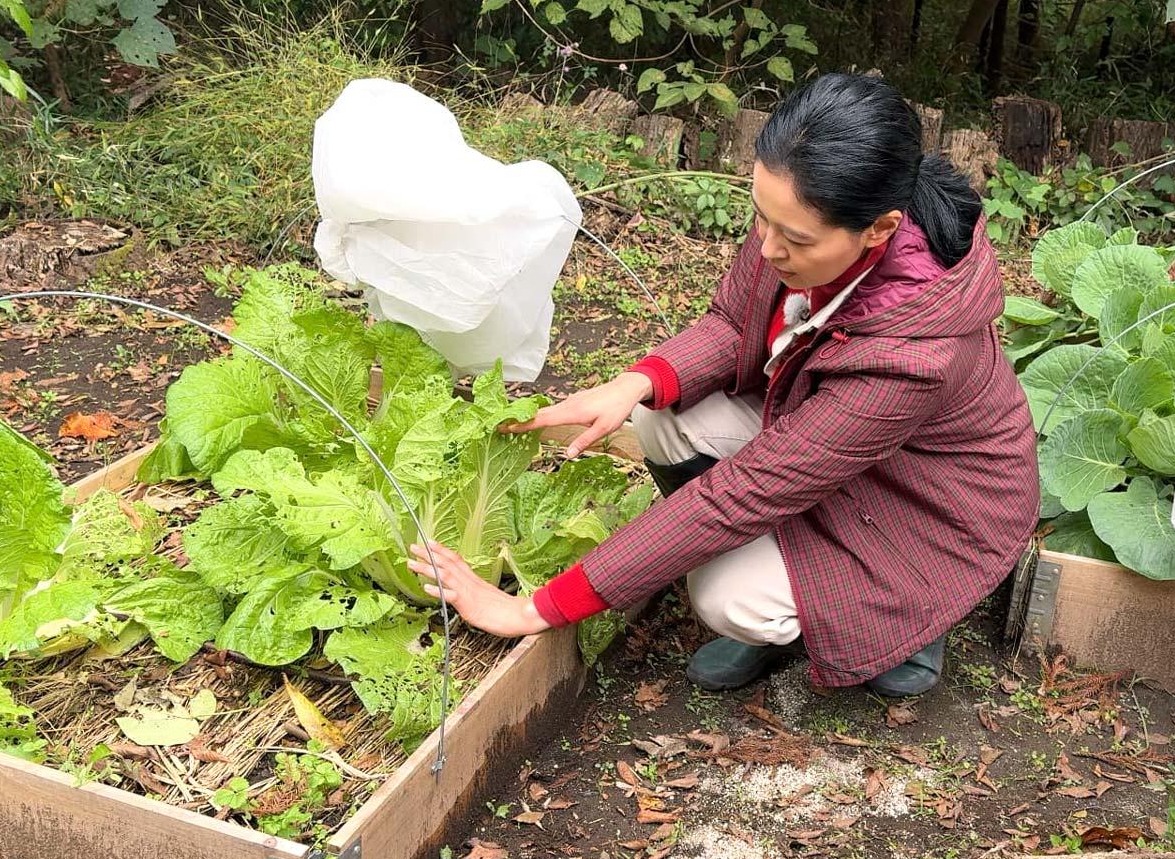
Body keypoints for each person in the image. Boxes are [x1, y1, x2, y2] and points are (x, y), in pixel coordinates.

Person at [405, 72, 1041, 697]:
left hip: (928, 504)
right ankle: (797, 587)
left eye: (793, 238)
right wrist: (634, 382)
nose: (766, 248)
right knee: (660, 416)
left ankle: (907, 620)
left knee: (725, 597)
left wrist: (535, 609)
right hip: (829, 445)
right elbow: (735, 323)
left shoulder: (913, 353)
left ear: (880, 229)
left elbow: (744, 492)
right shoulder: (802, 215)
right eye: (761, 218)